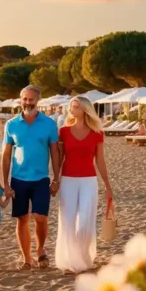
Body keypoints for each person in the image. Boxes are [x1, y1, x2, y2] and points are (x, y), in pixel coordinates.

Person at [2, 85, 60, 270]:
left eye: (31, 99)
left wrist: (56, 179)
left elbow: (55, 153)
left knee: (40, 216)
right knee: (22, 218)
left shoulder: (49, 124)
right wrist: (5, 183)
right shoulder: (11, 125)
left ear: (38, 101)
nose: (27, 103)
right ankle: (26, 258)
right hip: (18, 179)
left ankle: (40, 248)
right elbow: (6, 155)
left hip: (41, 179)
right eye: (24, 99)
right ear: (20, 99)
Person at [55, 96, 113, 274]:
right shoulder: (63, 131)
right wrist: (55, 180)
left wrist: (107, 185)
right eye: (72, 107)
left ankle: (83, 258)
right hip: (68, 180)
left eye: (76, 107)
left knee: (86, 221)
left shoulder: (97, 133)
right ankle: (71, 263)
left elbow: (100, 161)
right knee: (68, 221)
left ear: (85, 110)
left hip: (89, 181)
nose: (72, 110)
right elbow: (59, 158)